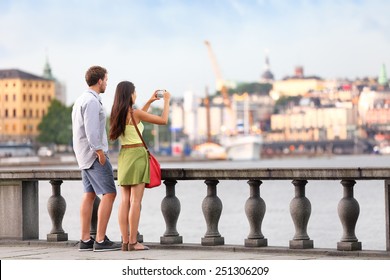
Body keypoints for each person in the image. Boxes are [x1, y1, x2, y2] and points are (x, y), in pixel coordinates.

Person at [109, 81, 170, 251]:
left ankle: (125, 241)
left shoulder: (116, 114)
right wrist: (166, 100)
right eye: (134, 92)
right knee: (135, 201)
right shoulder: (135, 113)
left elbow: (138, 118)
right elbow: (163, 120)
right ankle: (134, 242)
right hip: (137, 155)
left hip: (124, 156)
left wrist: (150, 101)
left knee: (124, 201)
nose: (136, 95)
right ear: (129, 95)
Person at [72, 65, 121, 252]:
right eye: (106, 80)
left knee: (89, 195)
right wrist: (99, 152)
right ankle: (100, 240)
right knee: (110, 193)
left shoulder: (80, 100)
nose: (107, 83)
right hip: (94, 156)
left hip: (83, 156)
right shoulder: (92, 101)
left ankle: (85, 240)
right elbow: (91, 130)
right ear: (99, 80)